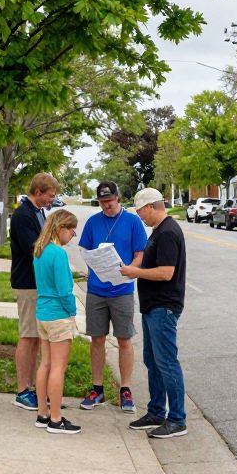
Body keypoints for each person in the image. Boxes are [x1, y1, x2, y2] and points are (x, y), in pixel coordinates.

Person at [120, 187, 187, 439]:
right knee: (153, 360)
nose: (140, 217)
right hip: (152, 306)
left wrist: (135, 272)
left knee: (167, 362)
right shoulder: (158, 232)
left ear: (150, 207)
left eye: (140, 212)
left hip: (164, 306)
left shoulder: (168, 232)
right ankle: (156, 411)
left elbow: (166, 272)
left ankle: (178, 419)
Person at [78, 181, 148, 413]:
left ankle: (125, 390)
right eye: (102, 202)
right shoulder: (93, 222)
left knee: (124, 339)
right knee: (96, 338)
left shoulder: (132, 221)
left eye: (109, 202)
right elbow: (85, 251)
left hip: (122, 290)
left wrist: (131, 269)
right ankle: (97, 389)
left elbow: (140, 254)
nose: (106, 206)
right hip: (97, 290)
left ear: (118, 198)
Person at [10, 172, 59, 412]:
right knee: (28, 336)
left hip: (39, 283)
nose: (51, 201)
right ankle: (22, 391)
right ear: (38, 192)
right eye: (49, 196)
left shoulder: (38, 213)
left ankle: (33, 387)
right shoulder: (23, 215)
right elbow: (34, 249)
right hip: (27, 283)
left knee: (38, 338)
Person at [33, 209, 82, 435]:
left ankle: (42, 413)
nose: (73, 235)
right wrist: (73, 313)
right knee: (58, 368)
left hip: (42, 313)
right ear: (61, 229)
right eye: (71, 230)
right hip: (58, 315)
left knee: (45, 364)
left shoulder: (39, 251)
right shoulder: (59, 254)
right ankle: (56, 419)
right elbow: (65, 291)